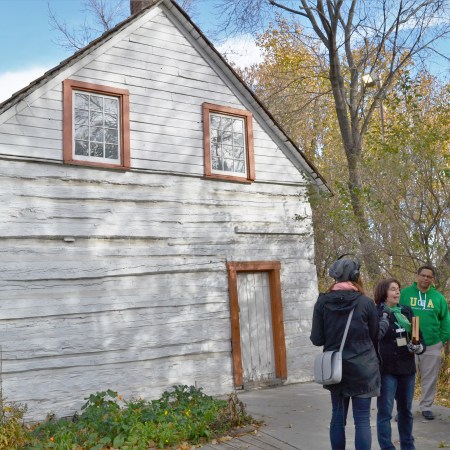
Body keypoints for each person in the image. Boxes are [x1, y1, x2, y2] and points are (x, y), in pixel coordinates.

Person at [310, 256, 380, 450]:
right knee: (363, 421)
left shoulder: (322, 302)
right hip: (364, 370)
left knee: (338, 417)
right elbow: (375, 337)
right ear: (356, 275)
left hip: (336, 370)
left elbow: (317, 339)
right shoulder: (366, 303)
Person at [375, 278, 426, 450]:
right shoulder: (376, 313)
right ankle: (387, 447)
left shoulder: (406, 311)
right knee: (385, 413)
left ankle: (408, 446)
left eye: (398, 289)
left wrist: (418, 346)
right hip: (386, 370)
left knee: (406, 411)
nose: (397, 292)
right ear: (384, 293)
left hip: (407, 369)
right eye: (393, 289)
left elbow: (419, 337)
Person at [399, 265, 450, 420]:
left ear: (432, 279)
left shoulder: (438, 298)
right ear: (417, 276)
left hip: (432, 344)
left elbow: (446, 320)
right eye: (423, 275)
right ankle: (403, 409)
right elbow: (396, 314)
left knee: (430, 378)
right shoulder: (405, 294)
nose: (425, 278)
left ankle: (426, 407)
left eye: (429, 276)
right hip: (409, 344)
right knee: (406, 377)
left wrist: (441, 341)